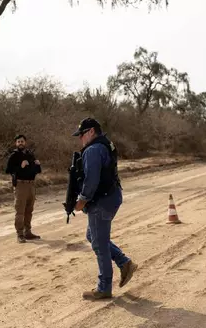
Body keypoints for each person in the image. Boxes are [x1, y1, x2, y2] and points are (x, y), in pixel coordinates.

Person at [71, 117, 138, 300]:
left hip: (101, 201)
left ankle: (104, 288)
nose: (80, 139)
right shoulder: (105, 144)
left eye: (82, 135)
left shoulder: (93, 150)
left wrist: (82, 200)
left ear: (91, 131)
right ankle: (124, 263)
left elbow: (91, 180)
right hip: (111, 197)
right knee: (93, 236)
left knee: (99, 244)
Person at [5, 134, 42, 243]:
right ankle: (20, 234)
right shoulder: (14, 156)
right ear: (16, 143)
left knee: (29, 210)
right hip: (20, 185)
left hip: (31, 185)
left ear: (25, 142)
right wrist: (20, 167)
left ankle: (28, 232)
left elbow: (37, 170)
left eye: (22, 141)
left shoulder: (30, 154)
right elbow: (8, 170)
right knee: (20, 211)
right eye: (18, 141)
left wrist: (38, 165)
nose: (20, 143)